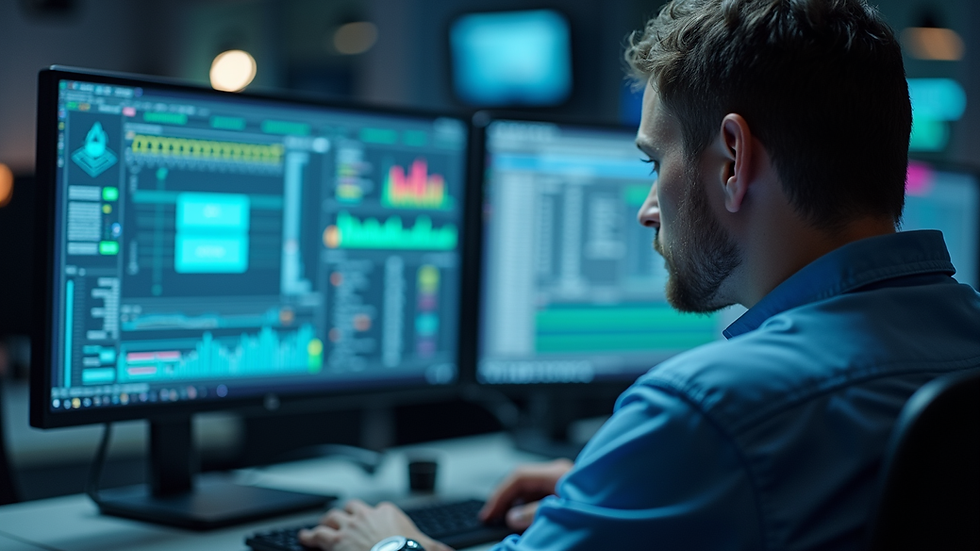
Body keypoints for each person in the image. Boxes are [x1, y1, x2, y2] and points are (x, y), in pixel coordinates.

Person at [298, 0, 980, 549]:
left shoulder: (707, 411)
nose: (647, 211)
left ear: (733, 161)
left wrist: (389, 544)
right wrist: (626, 489)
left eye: (655, 164)